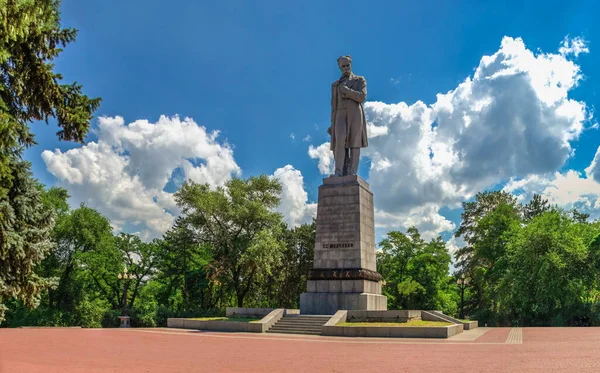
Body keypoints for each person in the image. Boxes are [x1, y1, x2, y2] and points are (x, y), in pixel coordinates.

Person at [328, 55, 368, 177]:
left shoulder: (359, 80)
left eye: (348, 65)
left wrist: (347, 91)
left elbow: (362, 97)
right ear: (339, 67)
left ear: (350, 64)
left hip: (355, 112)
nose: (346, 68)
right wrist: (332, 123)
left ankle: (352, 173)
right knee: (339, 140)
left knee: (354, 142)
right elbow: (333, 106)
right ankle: (338, 172)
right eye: (343, 66)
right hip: (339, 113)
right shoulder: (335, 85)